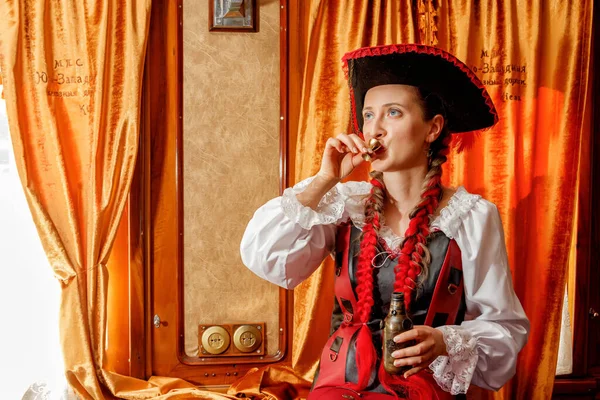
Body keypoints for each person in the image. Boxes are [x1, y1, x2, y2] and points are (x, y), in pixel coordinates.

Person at [240, 44, 529, 399]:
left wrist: (442, 341)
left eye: (393, 113)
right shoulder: (345, 205)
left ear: (432, 128)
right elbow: (267, 259)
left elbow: (504, 327)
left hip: (426, 390)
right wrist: (324, 180)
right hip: (338, 386)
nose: (374, 129)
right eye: (368, 115)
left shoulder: (471, 216)